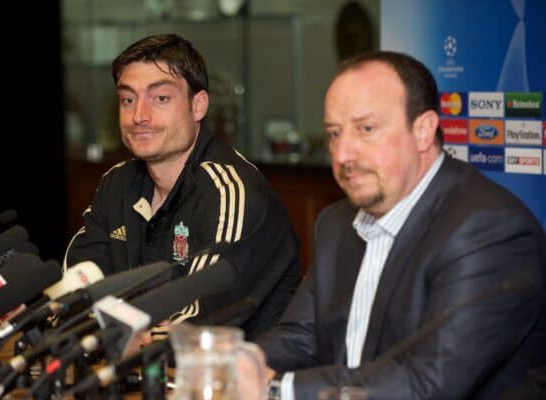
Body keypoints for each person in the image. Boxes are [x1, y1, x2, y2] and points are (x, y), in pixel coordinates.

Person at [253, 51, 546, 399]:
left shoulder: (489, 229)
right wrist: (235, 365)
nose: (344, 153)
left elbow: (429, 381)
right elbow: (301, 335)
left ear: (423, 131)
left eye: (367, 129)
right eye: (334, 133)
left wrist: (276, 388)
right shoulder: (335, 223)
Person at [64, 33, 302, 339]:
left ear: (198, 105)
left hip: (232, 378)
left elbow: (200, 317)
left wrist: (110, 334)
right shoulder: (118, 184)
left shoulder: (231, 192)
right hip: (137, 375)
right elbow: (79, 287)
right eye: (128, 99)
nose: (139, 116)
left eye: (160, 99)